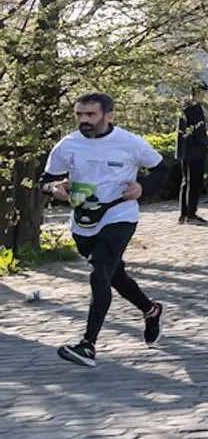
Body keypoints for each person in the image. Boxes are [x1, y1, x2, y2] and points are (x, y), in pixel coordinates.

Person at [42, 92, 164, 366]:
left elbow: (161, 168)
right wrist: (55, 189)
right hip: (83, 220)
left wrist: (142, 187)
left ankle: (88, 345)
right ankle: (150, 309)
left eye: (91, 115)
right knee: (114, 275)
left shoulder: (129, 142)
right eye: (79, 115)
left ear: (109, 116)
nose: (84, 120)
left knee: (99, 272)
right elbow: (46, 180)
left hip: (119, 214)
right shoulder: (67, 145)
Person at [174, 87, 208, 225]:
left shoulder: (183, 108)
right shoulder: (196, 109)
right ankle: (191, 214)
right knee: (195, 182)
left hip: (184, 150)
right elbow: (198, 132)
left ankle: (183, 214)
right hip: (195, 151)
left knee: (186, 182)